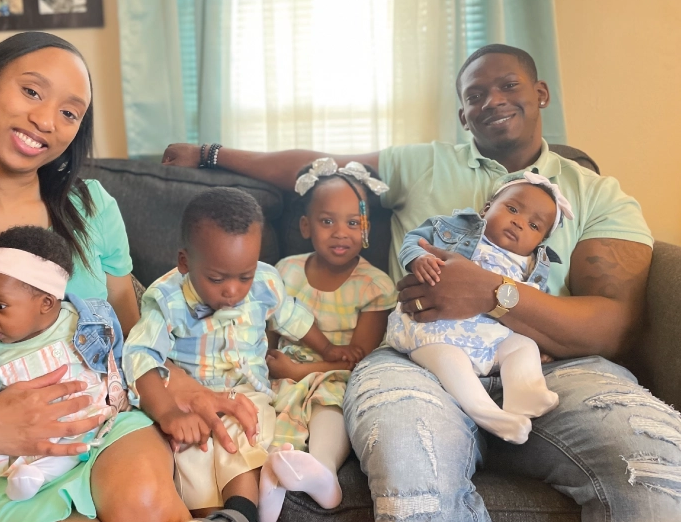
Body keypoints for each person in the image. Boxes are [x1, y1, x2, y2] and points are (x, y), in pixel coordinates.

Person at [162, 44, 681, 520]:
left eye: (508, 86)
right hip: (416, 360)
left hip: (553, 366)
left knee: (653, 463)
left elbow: (614, 323)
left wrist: (492, 294)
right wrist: (212, 154)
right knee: (409, 462)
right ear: (462, 114)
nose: (492, 101)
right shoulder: (424, 164)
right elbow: (319, 171)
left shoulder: (596, 195)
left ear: (540, 93)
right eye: (475, 95)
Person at [0, 31, 253, 522]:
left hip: (106, 427)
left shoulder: (92, 207)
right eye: (32, 91)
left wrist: (186, 391)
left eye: (70, 112)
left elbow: (133, 338)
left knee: (143, 500)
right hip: (2, 460)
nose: (45, 120)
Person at [123, 187, 361, 522]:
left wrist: (328, 349)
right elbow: (139, 355)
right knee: (194, 449)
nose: (233, 291)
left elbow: (291, 316)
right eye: (217, 278)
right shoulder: (166, 300)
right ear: (185, 262)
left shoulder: (265, 281)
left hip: (247, 392)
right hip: (189, 397)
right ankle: (214, 514)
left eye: (244, 276)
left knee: (242, 434)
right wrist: (167, 413)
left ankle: (241, 512)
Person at [0, 226, 130, 522]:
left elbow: (119, 356)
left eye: (0, 305)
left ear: (46, 303)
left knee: (75, 440)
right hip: (12, 434)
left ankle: (34, 478)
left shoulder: (86, 321)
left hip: (82, 421)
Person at [387, 172, 570, 446]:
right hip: (435, 326)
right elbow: (415, 239)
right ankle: (488, 415)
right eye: (512, 209)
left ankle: (525, 393)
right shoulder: (456, 229)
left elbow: (531, 312)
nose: (519, 223)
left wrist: (542, 345)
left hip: (488, 334)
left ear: (540, 242)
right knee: (452, 363)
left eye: (534, 225)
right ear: (486, 209)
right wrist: (419, 258)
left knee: (523, 346)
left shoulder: (533, 266)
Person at [259, 158, 396, 522]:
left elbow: (360, 358)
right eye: (327, 221)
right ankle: (269, 473)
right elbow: (267, 334)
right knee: (264, 404)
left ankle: (322, 469)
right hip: (284, 370)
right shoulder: (285, 272)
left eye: (353, 223)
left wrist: (302, 368)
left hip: (337, 372)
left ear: (367, 229)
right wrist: (272, 365)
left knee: (328, 402)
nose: (340, 232)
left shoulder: (374, 284)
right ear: (306, 226)